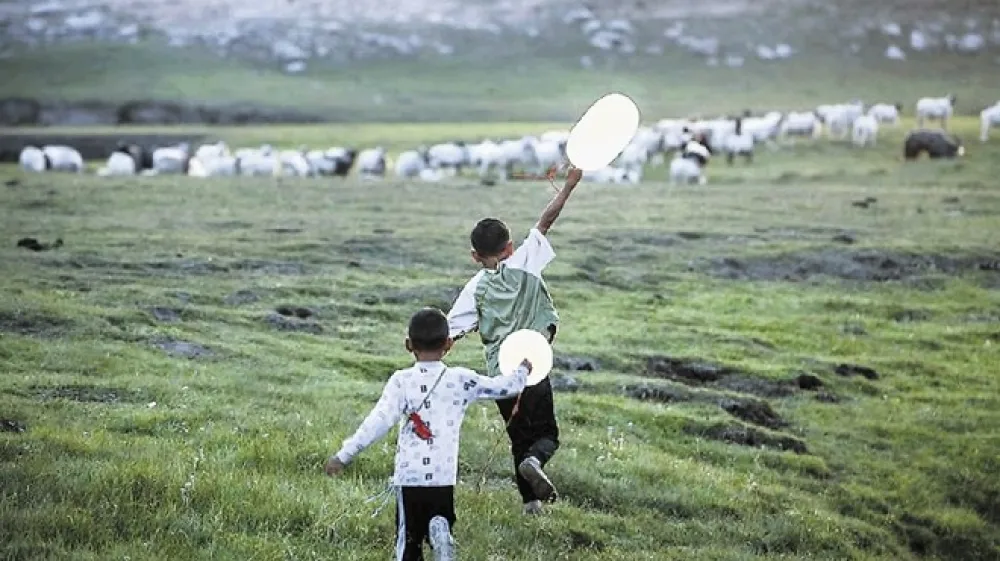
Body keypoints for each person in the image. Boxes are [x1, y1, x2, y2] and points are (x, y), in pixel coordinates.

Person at [325, 307, 532, 561]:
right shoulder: (461, 379)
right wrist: (522, 371)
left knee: (408, 542)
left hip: (409, 477)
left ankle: (426, 541)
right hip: (443, 476)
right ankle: (441, 531)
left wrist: (344, 455)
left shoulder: (401, 381)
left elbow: (377, 422)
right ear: (448, 344)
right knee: (439, 516)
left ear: (408, 345)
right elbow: (504, 387)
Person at [446, 166, 583, 515]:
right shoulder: (525, 261)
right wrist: (568, 186)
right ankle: (536, 461)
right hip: (532, 365)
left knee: (517, 437)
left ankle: (531, 504)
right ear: (509, 246)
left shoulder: (473, 288)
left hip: (500, 374)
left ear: (475, 256)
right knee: (547, 433)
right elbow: (546, 220)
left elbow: (447, 335)